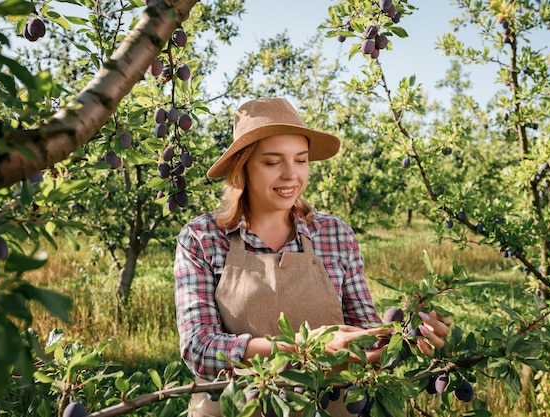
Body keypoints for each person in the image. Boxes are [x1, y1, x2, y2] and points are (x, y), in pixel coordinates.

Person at [174, 97, 451, 416]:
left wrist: (404, 335)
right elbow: (200, 349)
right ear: (243, 166)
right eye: (272, 161)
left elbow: (366, 333)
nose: (291, 175)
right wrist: (305, 349)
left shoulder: (335, 235)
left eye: (301, 160)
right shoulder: (202, 238)